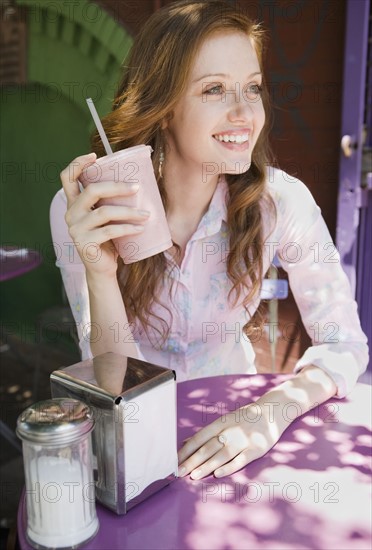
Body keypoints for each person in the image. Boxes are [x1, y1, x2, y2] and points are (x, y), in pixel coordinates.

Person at [52, 0, 368, 479]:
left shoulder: (279, 202)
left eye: (253, 88)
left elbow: (345, 342)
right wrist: (100, 271)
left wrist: (270, 411)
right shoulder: (87, 210)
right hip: (133, 440)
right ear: (163, 110)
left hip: (236, 428)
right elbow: (113, 383)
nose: (245, 113)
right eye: (215, 89)